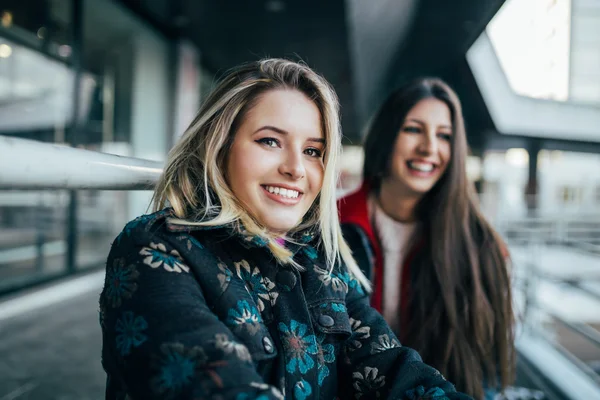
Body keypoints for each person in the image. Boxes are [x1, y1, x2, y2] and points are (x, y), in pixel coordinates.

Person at [99, 60, 472, 399]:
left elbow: (392, 369)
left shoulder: (320, 258)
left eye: (312, 151)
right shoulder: (155, 248)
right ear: (219, 145)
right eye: (270, 141)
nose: (296, 168)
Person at [338, 78, 515, 400]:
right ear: (386, 135)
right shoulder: (332, 226)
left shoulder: (481, 247)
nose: (429, 148)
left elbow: (481, 372)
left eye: (444, 136)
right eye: (413, 129)